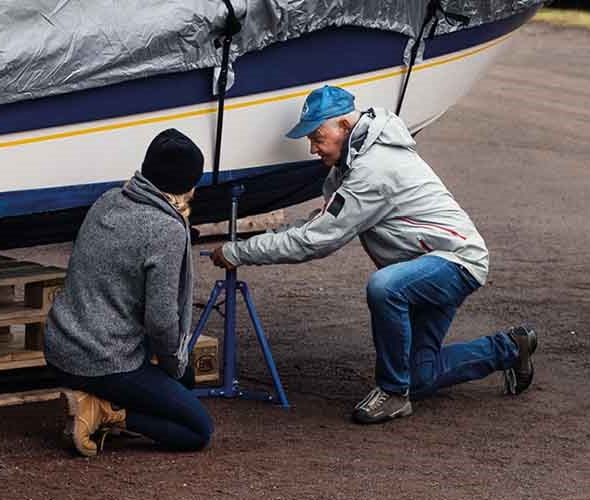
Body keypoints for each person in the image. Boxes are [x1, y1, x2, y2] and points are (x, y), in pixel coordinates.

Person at [210, 86, 538, 424]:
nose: (313, 148)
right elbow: (318, 224)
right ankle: (511, 348)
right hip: (426, 266)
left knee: (385, 288)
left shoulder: (372, 169)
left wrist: (240, 251)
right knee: (420, 378)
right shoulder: (350, 165)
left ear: (344, 125)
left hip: (455, 262)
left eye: (318, 136)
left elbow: (317, 241)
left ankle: (393, 394)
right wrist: (264, 238)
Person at [46, 128, 213, 456]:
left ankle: (103, 400)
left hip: (59, 346)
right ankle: (105, 412)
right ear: (188, 185)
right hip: (103, 359)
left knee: (184, 382)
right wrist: (172, 364)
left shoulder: (108, 200)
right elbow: (162, 319)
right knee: (197, 429)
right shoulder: (167, 230)